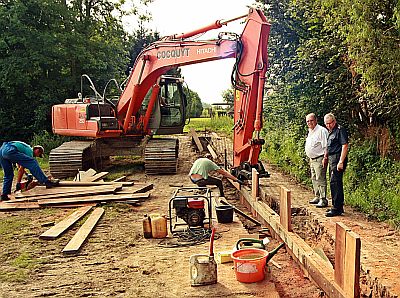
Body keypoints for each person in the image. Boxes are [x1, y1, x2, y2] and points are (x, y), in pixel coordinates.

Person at [323, 113, 349, 217]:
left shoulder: (340, 130)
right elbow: (328, 146)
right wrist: (325, 157)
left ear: (334, 121)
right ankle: (336, 205)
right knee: (333, 182)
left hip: (338, 158)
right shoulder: (330, 131)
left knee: (336, 182)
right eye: (326, 124)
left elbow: (345, 145)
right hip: (331, 158)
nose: (328, 125)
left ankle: (337, 208)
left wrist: (341, 161)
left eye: (330, 123)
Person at [305, 113, 329, 208]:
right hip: (312, 159)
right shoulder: (310, 131)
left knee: (320, 178)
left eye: (311, 120)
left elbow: (326, 146)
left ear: (316, 120)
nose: (309, 123)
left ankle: (323, 199)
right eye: (308, 121)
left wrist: (325, 158)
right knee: (314, 177)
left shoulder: (321, 131)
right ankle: (317, 196)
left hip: (320, 158)